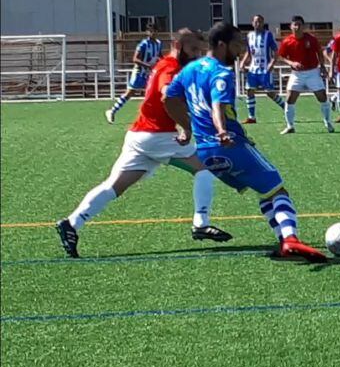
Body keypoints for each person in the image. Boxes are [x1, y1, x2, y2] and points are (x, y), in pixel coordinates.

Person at [57, 29, 232, 258]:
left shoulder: (165, 65)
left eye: (200, 51)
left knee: (114, 187)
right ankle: (201, 223)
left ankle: (72, 223)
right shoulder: (170, 68)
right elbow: (168, 96)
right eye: (193, 50)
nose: (196, 55)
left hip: (139, 136)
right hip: (157, 136)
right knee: (205, 168)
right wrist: (188, 127)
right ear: (178, 46)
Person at [164, 22, 327, 263]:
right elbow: (218, 106)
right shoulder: (221, 72)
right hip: (230, 146)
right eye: (237, 44)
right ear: (222, 45)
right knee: (278, 189)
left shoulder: (190, 69)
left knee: (264, 192)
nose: (241, 50)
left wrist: (186, 128)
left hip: (205, 153)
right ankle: (290, 238)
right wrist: (222, 131)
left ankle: (284, 242)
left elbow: (168, 99)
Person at [277, 16, 333, 134]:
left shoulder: (311, 39)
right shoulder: (287, 41)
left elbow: (319, 52)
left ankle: (328, 122)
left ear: (303, 26)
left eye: (299, 24)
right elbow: (280, 56)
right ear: (291, 26)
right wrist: (292, 63)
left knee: (322, 97)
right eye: (295, 24)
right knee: (289, 98)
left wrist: (322, 66)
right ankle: (290, 126)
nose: (297, 27)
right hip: (297, 74)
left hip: (313, 72)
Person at [105, 21, 163, 124]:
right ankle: (112, 111)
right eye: (150, 31)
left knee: (154, 93)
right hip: (139, 72)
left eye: (154, 31)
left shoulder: (158, 43)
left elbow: (160, 56)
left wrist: (163, 64)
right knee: (130, 93)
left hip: (150, 73)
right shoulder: (143, 44)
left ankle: (152, 117)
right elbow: (135, 59)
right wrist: (148, 66)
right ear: (147, 32)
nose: (152, 33)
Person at [239, 14, 286, 124]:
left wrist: (272, 63)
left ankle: (286, 107)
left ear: (263, 23)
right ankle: (251, 117)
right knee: (249, 90)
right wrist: (242, 62)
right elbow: (248, 52)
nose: (258, 24)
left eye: (260, 21)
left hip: (265, 69)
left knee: (269, 93)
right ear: (252, 23)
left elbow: (276, 51)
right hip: (253, 69)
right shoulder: (249, 35)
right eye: (256, 21)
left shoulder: (268, 35)